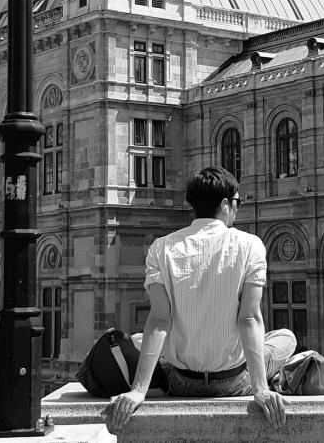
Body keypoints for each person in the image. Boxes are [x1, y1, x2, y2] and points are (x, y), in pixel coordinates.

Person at [103, 166, 296, 433]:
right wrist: (260, 389)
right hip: (233, 382)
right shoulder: (250, 245)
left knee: (139, 338)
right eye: (237, 203)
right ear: (225, 204)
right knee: (285, 338)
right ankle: (268, 377)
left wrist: (138, 391)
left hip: (183, 382)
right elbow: (249, 318)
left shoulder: (161, 247)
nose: (237, 209)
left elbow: (160, 321)